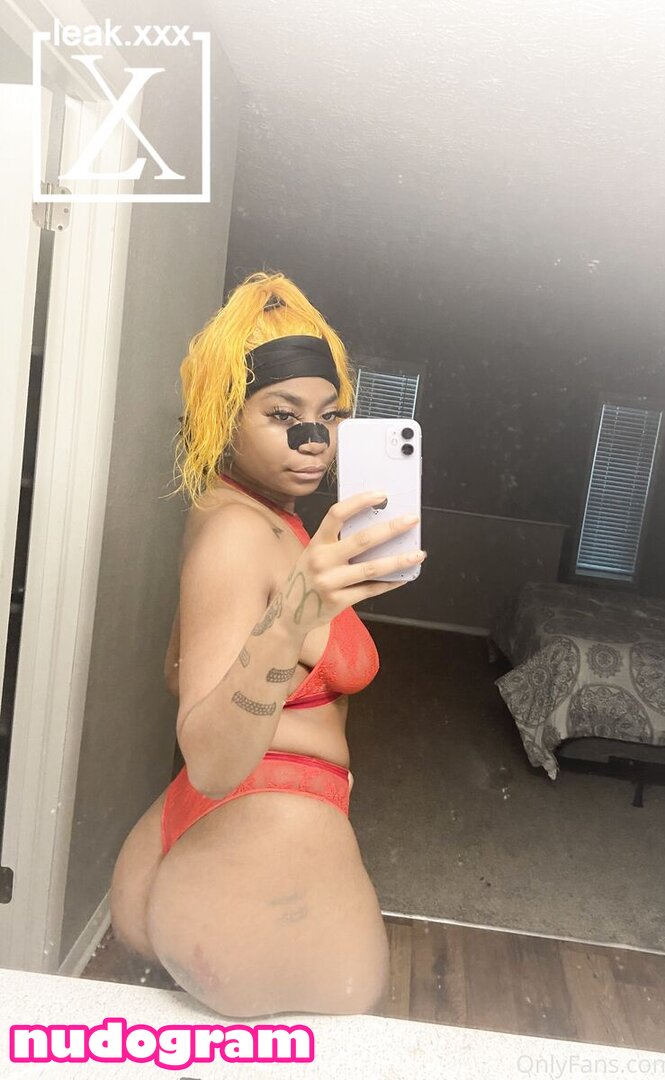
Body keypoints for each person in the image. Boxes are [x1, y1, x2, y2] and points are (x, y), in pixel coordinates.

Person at [109, 270, 427, 1018]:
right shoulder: (235, 531)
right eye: (283, 414)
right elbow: (213, 761)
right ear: (225, 417)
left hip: (231, 840)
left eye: (329, 416)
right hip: (264, 850)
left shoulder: (242, 510)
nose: (315, 442)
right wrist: (293, 619)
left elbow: (180, 670)